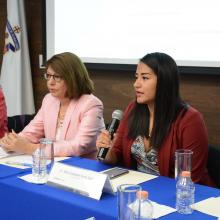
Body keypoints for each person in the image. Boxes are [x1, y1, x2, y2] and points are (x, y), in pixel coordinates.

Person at [96, 52, 214, 186]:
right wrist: (106, 153)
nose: (136, 84)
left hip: (180, 194)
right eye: (136, 77)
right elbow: (116, 155)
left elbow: (191, 178)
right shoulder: (133, 109)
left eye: (145, 78)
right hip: (140, 189)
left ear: (164, 81)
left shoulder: (190, 120)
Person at [0, 52, 105, 157]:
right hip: (55, 164)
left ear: (73, 78)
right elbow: (31, 133)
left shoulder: (91, 104)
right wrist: (12, 142)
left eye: (57, 77)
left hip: (83, 167)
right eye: (48, 76)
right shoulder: (49, 100)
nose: (50, 82)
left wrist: (28, 148)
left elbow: (79, 146)